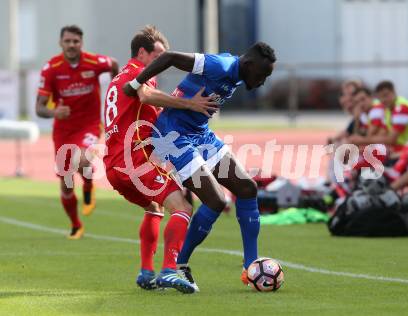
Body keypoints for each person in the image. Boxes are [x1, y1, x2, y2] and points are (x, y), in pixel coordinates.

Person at [123, 42, 276, 290]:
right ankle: (178, 265)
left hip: (200, 134)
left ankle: (250, 265)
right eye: (261, 75)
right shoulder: (220, 65)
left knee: (247, 188)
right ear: (249, 65)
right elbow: (171, 57)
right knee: (216, 200)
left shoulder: (239, 72)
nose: (262, 81)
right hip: (172, 134)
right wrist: (135, 83)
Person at [104, 25, 218, 293]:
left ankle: (146, 272)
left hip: (114, 165)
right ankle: (169, 269)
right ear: (142, 53)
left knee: (154, 208)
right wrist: (191, 104)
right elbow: (145, 95)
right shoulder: (137, 76)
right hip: (136, 160)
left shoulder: (117, 80)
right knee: (182, 207)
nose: (162, 64)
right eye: (158, 57)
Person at [36, 25, 119, 239]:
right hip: (63, 130)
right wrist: (54, 111)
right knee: (66, 182)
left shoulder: (94, 62)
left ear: (81, 43)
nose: (72, 45)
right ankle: (76, 225)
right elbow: (39, 107)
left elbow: (114, 64)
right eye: (68, 41)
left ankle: (89, 186)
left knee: (81, 159)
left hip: (89, 125)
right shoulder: (51, 69)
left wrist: (116, 90)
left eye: (75, 41)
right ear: (60, 43)